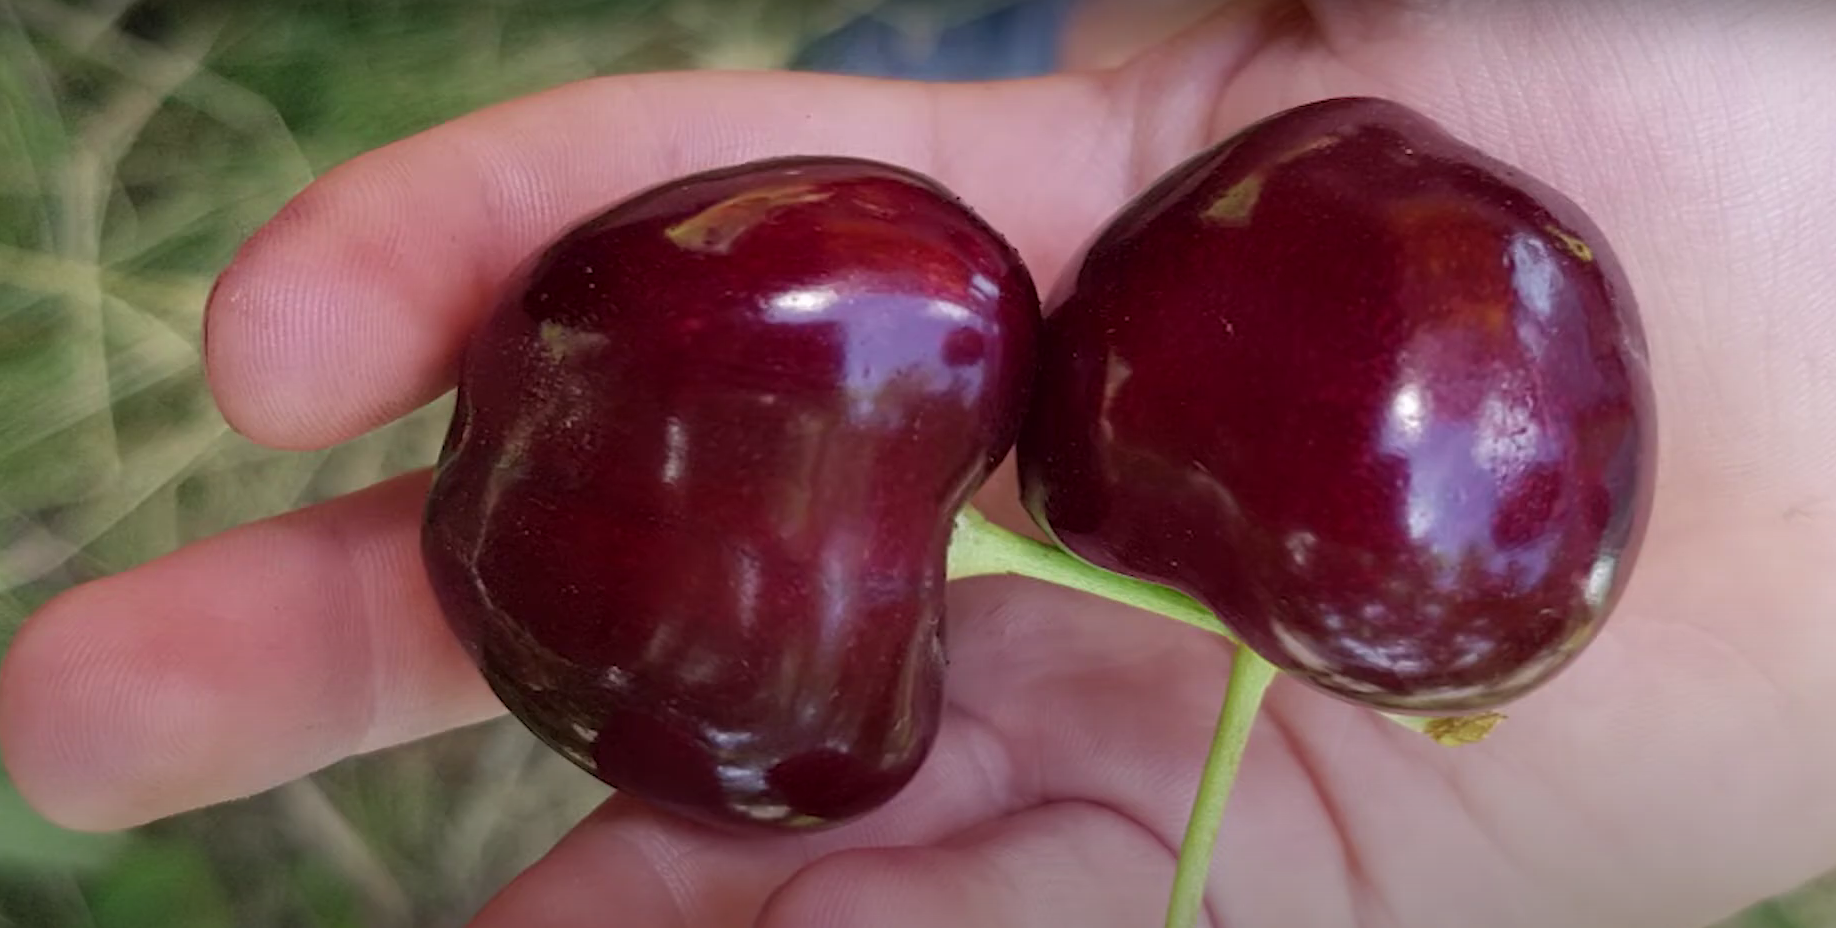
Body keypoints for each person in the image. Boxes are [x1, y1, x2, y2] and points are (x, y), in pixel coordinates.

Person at [3, 2, 1833, 925]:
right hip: (1044, 123)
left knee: (916, 80)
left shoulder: (947, 340)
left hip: (889, 254)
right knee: (930, 56)